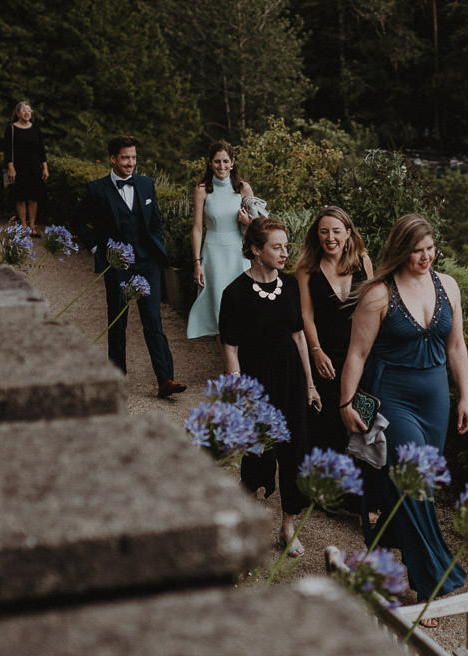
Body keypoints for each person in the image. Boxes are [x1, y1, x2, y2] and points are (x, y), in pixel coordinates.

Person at [339, 214, 468, 607]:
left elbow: (456, 346)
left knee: (419, 487)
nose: (425, 257)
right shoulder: (378, 294)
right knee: (413, 483)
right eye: (417, 251)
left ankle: (383, 557)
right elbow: (357, 354)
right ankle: (432, 582)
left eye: (430, 249)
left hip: (435, 401)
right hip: (392, 398)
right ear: (400, 250)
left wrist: (464, 396)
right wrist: (345, 403)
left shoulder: (448, 286)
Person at [220, 217, 319, 554]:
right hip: (256, 387)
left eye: (286, 246)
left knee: (294, 453)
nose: (284, 252)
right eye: (276, 247)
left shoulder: (290, 285)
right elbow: (230, 349)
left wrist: (310, 384)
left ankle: (288, 526)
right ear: (255, 250)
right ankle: (244, 523)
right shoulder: (233, 293)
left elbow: (299, 337)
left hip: (291, 382)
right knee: (257, 455)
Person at [77, 135, 185, 397]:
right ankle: (116, 379)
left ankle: (165, 380)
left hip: (147, 264)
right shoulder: (96, 189)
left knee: (153, 321)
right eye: (125, 158)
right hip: (117, 265)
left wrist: (155, 245)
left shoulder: (147, 185)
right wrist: (96, 250)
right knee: (118, 321)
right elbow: (78, 221)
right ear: (113, 158)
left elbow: (155, 221)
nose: (130, 163)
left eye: (134, 157)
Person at [295, 206, 373, 458]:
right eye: (324, 231)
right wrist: (316, 351)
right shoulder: (306, 268)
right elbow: (306, 314)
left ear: (348, 233)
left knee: (361, 425)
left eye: (337, 231)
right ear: (316, 235)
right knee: (327, 427)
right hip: (326, 357)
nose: (330, 238)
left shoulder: (363, 261)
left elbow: (372, 308)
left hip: (360, 354)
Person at [186, 140, 254, 341]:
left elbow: (260, 226)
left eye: (226, 161)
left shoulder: (243, 188)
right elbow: (197, 229)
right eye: (217, 161)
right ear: (210, 163)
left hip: (238, 254)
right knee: (219, 312)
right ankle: (229, 370)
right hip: (213, 255)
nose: (221, 166)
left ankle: (246, 366)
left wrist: (247, 220)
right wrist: (197, 263)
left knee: (243, 310)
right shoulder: (202, 190)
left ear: (232, 162)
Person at [2, 101, 48, 231]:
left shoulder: (35, 128)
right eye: (23, 110)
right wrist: (11, 167)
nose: (27, 112)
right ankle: (23, 225)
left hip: (34, 167)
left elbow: (41, 150)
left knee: (34, 198)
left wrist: (45, 167)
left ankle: (32, 225)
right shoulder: (11, 128)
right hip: (18, 168)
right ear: (17, 113)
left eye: (29, 110)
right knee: (20, 197)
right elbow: (8, 150)